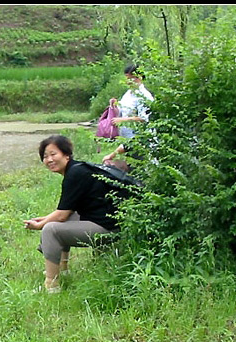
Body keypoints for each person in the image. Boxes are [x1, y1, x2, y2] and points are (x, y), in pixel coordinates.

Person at [24, 135, 123, 292]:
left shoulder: (75, 174)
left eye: (53, 154)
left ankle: (51, 284)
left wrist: (40, 225)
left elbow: (61, 215)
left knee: (51, 229)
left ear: (66, 155)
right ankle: (63, 269)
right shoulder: (78, 168)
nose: (49, 159)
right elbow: (67, 210)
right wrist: (44, 218)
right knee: (57, 221)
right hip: (109, 222)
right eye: (45, 156)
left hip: (110, 230)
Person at [103, 63, 154, 165]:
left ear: (139, 77)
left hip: (140, 142)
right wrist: (115, 105)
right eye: (127, 78)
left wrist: (123, 121)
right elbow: (122, 111)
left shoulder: (144, 96)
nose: (128, 82)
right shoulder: (128, 94)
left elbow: (144, 118)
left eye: (131, 78)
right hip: (127, 141)